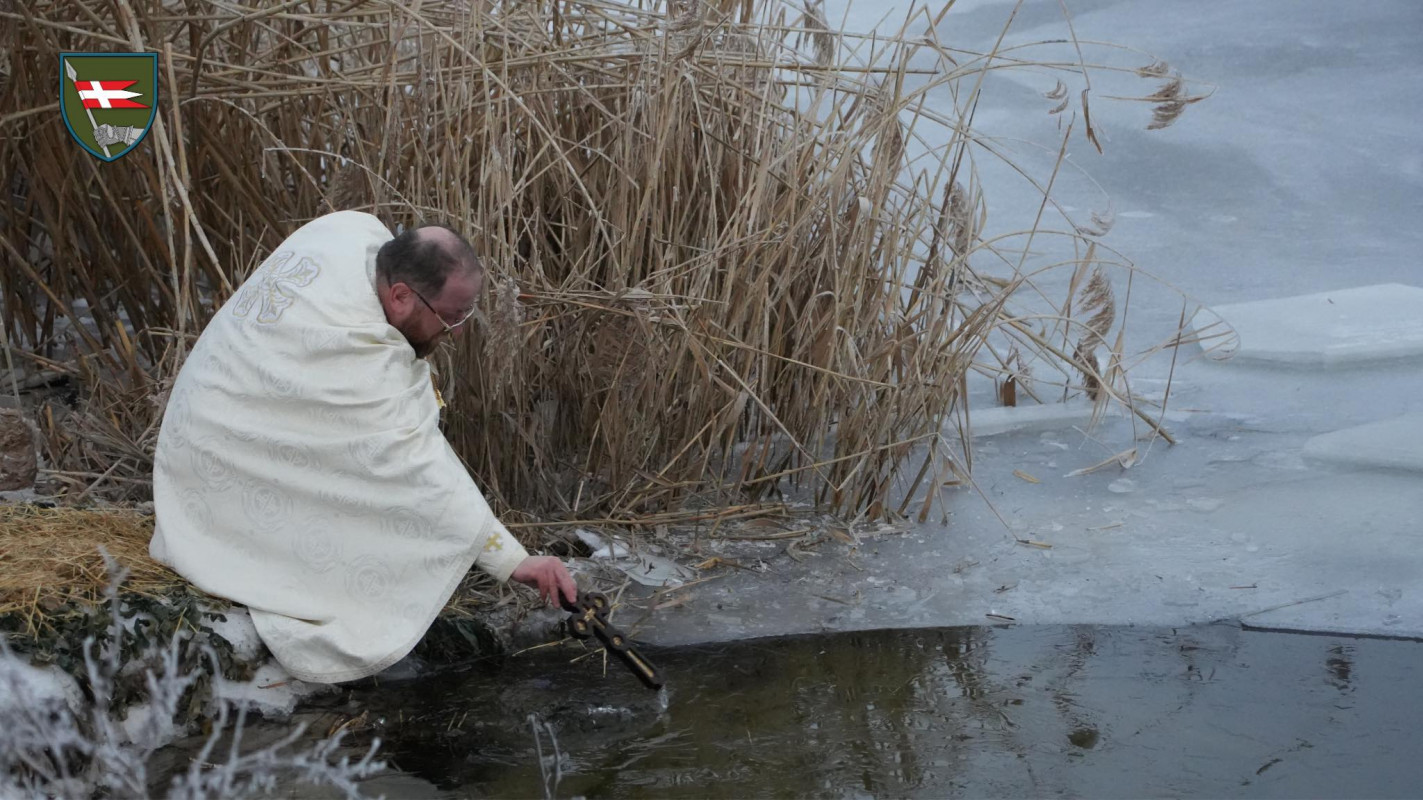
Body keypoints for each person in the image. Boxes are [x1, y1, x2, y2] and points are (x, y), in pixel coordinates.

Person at [149, 211, 577, 684]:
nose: (456, 333)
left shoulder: (347, 231)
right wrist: (514, 560)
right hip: (216, 460)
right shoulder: (361, 361)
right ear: (399, 296)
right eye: (451, 317)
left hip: (200, 418)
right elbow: (420, 471)